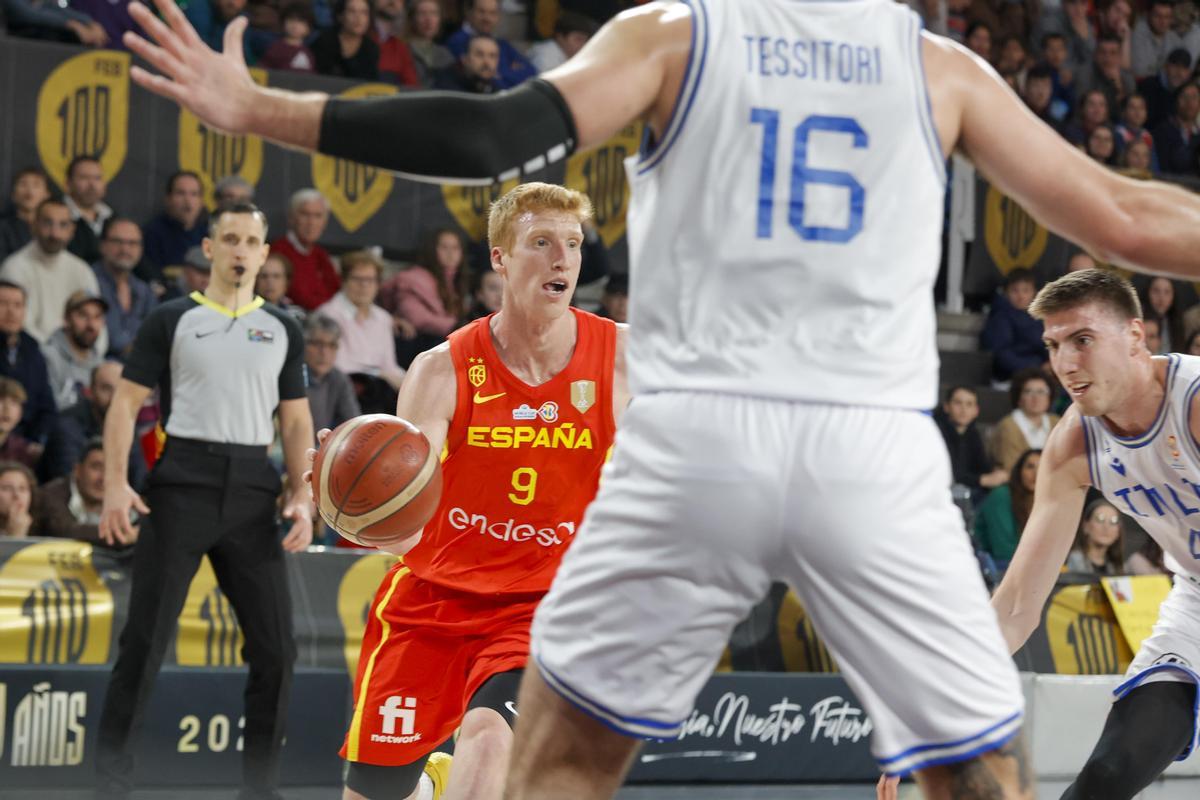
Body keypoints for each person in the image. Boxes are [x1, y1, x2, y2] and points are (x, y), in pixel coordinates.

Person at [122, 0, 1200, 793]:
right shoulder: (939, 69)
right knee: (980, 774)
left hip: (702, 435)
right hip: (864, 446)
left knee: (563, 760)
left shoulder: (670, 37)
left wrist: (264, 107)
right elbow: (1126, 219)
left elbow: (494, 137)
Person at [310, 182, 626, 800]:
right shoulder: (442, 369)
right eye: (541, 243)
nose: (562, 259)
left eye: (572, 244)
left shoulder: (624, 359)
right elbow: (407, 510)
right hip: (431, 600)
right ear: (501, 258)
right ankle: (429, 780)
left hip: (538, 604)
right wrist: (348, 504)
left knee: (488, 747)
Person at [94, 202, 314, 800]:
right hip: (182, 482)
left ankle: (259, 790)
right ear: (210, 249)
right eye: (231, 239)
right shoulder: (172, 318)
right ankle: (110, 785)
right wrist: (116, 484)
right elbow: (124, 403)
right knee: (144, 641)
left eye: (252, 241)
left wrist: (303, 494)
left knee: (277, 650)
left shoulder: (284, 327)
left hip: (252, 492)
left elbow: (295, 425)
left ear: (267, 254)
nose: (242, 250)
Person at [991, 269, 1200, 800]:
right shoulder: (1073, 445)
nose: (1065, 364)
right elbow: (1016, 604)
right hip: (1196, 601)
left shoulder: (1193, 401)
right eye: (1054, 345)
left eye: (1082, 340)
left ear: (1135, 335)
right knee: (1105, 778)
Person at [0, 198, 102, 344]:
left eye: (63, 225)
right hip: (35, 355)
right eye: (48, 223)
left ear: (72, 230)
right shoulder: (14, 267)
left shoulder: (81, 270)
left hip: (79, 356)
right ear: (33, 226)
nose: (55, 233)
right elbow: (19, 327)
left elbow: (98, 322)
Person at [316, 250, 406, 392]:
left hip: (378, 390)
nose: (364, 286)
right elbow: (339, 366)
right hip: (343, 389)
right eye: (357, 279)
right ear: (344, 281)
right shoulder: (328, 314)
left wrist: (410, 381)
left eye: (370, 280)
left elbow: (389, 365)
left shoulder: (383, 318)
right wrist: (379, 374)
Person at [0, 280, 57, 450]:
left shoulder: (32, 349)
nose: (11, 312)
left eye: (18, 305)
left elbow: (46, 404)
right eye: (3, 303)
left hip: (25, 442)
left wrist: (38, 440)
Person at [93, 218, 156, 360]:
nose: (125, 249)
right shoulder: (89, 281)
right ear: (102, 245)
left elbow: (155, 338)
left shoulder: (145, 291)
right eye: (117, 242)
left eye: (133, 243)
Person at [269, 189, 340, 311]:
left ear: (325, 222)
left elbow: (336, 292)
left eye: (318, 216)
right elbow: (299, 297)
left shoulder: (321, 254)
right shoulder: (278, 252)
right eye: (305, 214)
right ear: (292, 218)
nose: (311, 222)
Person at [935, 385, 1007, 503]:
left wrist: (996, 475)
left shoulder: (972, 432)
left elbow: (983, 466)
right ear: (946, 407)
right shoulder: (936, 432)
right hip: (944, 491)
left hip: (969, 489)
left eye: (969, 404)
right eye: (958, 403)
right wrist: (982, 480)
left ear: (976, 411)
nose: (963, 410)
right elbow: (949, 474)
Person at [444, 0, 535, 88]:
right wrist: (508, 72)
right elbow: (480, 77)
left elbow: (531, 73)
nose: (487, 18)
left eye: (492, 13)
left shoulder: (502, 44)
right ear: (469, 12)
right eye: (481, 12)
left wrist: (500, 75)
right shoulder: (456, 42)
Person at [973, 449, 1040, 566]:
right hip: (990, 563)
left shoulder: (1044, 500)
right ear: (1019, 471)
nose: (1036, 473)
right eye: (1030, 467)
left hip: (1024, 563)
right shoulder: (1001, 496)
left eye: (1042, 468)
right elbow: (1003, 549)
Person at [43, 290, 108, 410]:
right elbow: (48, 411)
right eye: (83, 315)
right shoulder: (48, 356)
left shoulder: (100, 364)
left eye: (97, 317)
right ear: (66, 319)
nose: (91, 325)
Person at [34, 437, 106, 545]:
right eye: (96, 467)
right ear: (77, 470)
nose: (103, 478)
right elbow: (65, 531)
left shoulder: (127, 500)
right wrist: (119, 534)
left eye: (110, 470)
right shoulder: (50, 495)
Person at [981, 268, 1048, 384]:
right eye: (1015, 290)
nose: (1020, 296)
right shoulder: (1000, 318)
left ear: (1034, 293)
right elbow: (1002, 356)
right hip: (1008, 380)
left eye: (1026, 290)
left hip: (1039, 376)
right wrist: (1037, 368)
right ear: (1006, 293)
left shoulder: (1041, 317)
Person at [140, 171, 207, 287]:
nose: (188, 201)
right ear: (168, 198)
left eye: (194, 194)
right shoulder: (151, 234)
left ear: (201, 202)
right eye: (181, 193)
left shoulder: (211, 233)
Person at [991, 369, 1061, 472]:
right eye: (1028, 392)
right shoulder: (1008, 426)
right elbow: (1011, 468)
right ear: (1019, 398)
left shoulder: (1057, 422)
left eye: (1041, 391)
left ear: (1049, 398)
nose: (1036, 397)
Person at [302, 314, 360, 432]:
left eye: (332, 345)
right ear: (303, 344)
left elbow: (355, 426)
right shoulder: (291, 377)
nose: (324, 352)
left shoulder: (339, 379)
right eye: (317, 344)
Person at [312, 0, 380, 80]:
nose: (358, 18)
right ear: (340, 16)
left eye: (364, 13)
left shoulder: (371, 49)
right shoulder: (324, 42)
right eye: (352, 11)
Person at [0, 168, 51, 262]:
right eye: (23, 184)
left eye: (36, 185)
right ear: (13, 195)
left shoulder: (54, 228)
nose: (29, 191)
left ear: (47, 195)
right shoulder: (3, 228)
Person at [1064, 497, 1125, 575]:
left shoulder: (1117, 567)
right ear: (1085, 526)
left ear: (1118, 532)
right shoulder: (1071, 560)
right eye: (1100, 519)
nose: (1106, 527)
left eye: (1113, 522)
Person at [528, 11, 598, 73]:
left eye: (585, 40)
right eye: (578, 39)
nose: (583, 45)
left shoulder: (569, 54)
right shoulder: (545, 57)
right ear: (560, 37)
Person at [259, 1, 316, 72]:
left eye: (301, 21)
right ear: (283, 23)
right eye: (291, 20)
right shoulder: (275, 49)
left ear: (309, 28)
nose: (295, 25)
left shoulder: (308, 54)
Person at [0, 377, 39, 469]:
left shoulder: (24, 451)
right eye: (1, 400)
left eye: (14, 402)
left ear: (21, 413)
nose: (7, 408)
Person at [255, 252, 306, 323]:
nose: (270, 282)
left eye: (276, 276)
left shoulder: (297, 315)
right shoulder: (246, 313)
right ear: (255, 280)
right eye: (264, 276)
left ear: (287, 281)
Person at [0, 461, 37, 538]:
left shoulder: (45, 526)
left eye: (22, 488)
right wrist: (15, 535)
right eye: (7, 488)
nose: (17, 495)